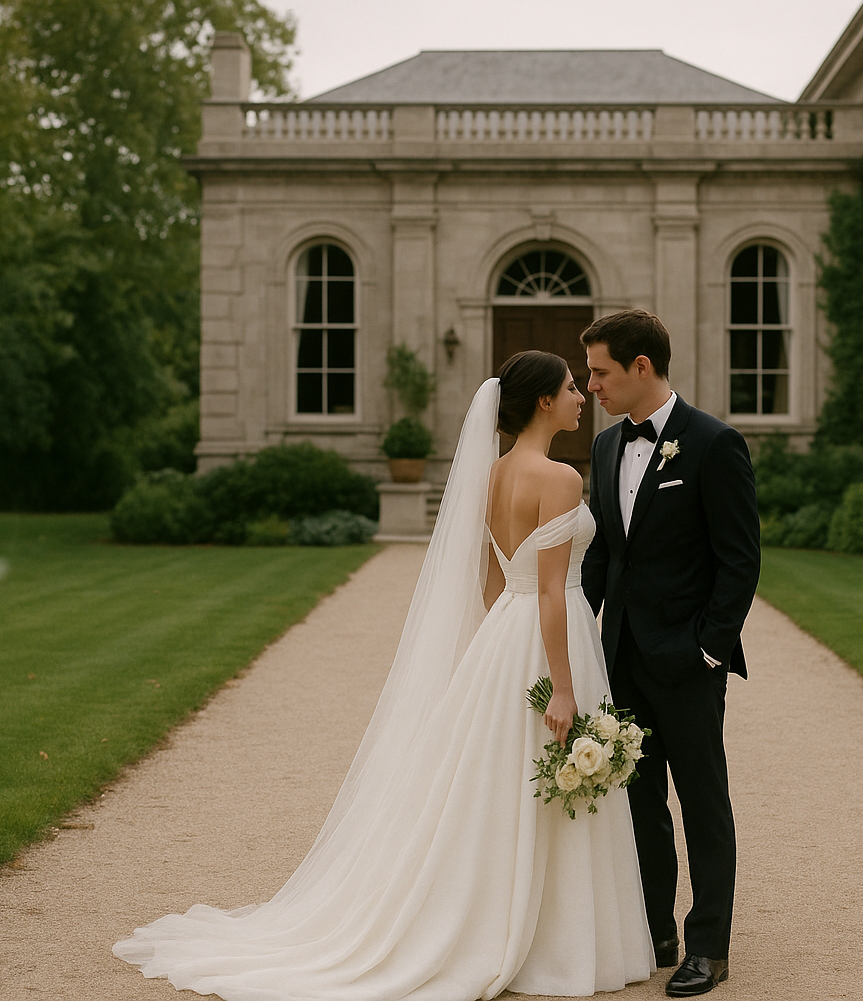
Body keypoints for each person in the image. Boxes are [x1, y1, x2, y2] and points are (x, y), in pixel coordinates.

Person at [113, 351, 654, 1000]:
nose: (580, 396)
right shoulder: (560, 478)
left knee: (501, 787)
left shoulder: (492, 477)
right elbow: (546, 593)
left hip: (503, 637)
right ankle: (557, 942)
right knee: (546, 779)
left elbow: (492, 583)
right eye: (571, 387)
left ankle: (511, 918)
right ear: (543, 402)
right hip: (548, 637)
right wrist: (562, 686)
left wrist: (496, 656)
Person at [580, 310, 761, 998]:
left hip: (687, 663)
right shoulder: (602, 448)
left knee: (702, 801)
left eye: (600, 372)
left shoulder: (714, 444)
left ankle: (708, 946)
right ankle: (655, 929)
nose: (590, 384)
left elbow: (739, 562)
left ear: (641, 368)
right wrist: (578, 629)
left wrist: (707, 652)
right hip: (621, 656)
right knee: (638, 800)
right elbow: (606, 556)